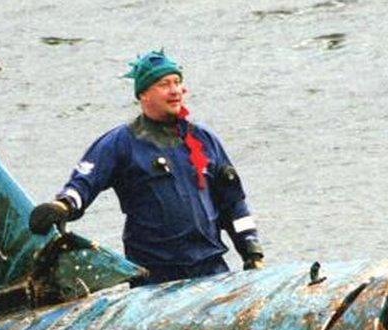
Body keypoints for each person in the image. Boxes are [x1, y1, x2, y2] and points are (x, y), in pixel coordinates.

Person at [29, 49, 264, 285]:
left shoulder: (203, 139)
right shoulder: (121, 142)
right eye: (164, 84)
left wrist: (252, 252)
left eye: (177, 82)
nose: (175, 91)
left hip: (212, 270)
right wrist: (63, 206)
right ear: (143, 94)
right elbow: (84, 183)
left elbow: (233, 203)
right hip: (155, 279)